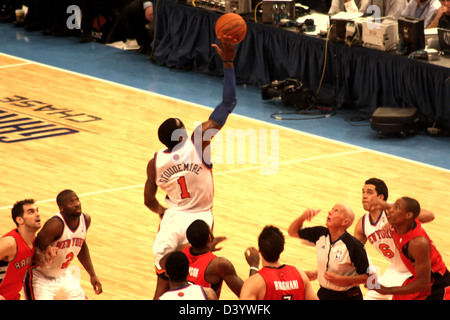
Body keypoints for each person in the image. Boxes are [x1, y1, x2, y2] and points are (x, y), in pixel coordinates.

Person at [144, 35, 238, 299]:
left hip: (173, 219)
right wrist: (228, 62)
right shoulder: (199, 141)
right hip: (200, 220)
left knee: (164, 281)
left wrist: (163, 213)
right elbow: (228, 103)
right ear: (181, 134)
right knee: (205, 278)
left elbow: (148, 200)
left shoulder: (155, 162)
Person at [353, 177, 435, 300]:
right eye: (363, 192)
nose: (364, 196)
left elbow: (430, 215)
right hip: (395, 270)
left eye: (369, 192)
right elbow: (354, 252)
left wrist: (398, 219)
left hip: (415, 271)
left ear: (381, 198)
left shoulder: (393, 209)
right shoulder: (362, 224)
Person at [24, 189, 102, 300]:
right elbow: (33, 249)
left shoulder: (85, 219)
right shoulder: (55, 225)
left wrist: (92, 274)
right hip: (40, 278)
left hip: (62, 275)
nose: (76, 204)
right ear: (61, 208)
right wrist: (43, 257)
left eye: (77, 200)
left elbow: (81, 245)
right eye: (71, 202)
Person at [371, 197, 450, 300]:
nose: (390, 210)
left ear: (408, 215)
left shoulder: (417, 243)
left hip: (436, 284)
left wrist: (387, 290)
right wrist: (382, 204)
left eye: (396, 207)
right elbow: (397, 209)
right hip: (418, 277)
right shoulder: (403, 223)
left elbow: (424, 284)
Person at [288, 204, 370, 300]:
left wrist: (342, 280)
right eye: (332, 209)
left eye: (336, 211)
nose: (330, 212)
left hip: (348, 297)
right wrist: (302, 217)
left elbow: (368, 277)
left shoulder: (354, 246)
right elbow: (292, 232)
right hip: (324, 293)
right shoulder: (320, 233)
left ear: (345, 222)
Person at [240, 225, 318, 300]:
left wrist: (253, 266)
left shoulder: (255, 282)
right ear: (282, 249)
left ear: (259, 250)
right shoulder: (300, 274)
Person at [181, 219, 244, 298]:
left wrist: (208, 248)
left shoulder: (180, 255)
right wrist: (253, 265)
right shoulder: (218, 264)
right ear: (209, 238)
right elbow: (247, 294)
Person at [0, 199, 41, 300]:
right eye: (31, 212)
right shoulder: (10, 243)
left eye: (37, 210)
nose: (37, 214)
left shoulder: (33, 242)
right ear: (20, 220)